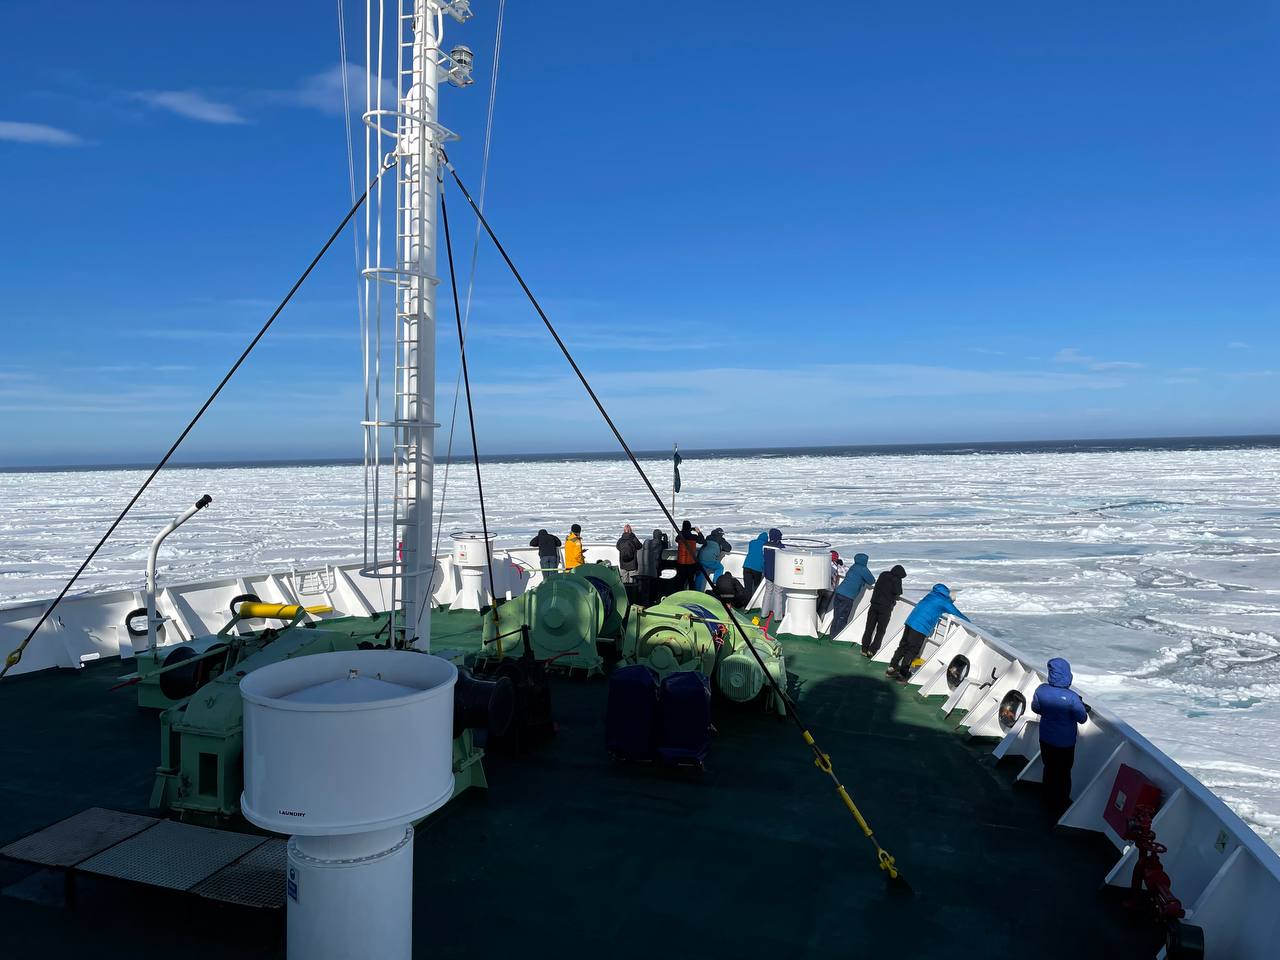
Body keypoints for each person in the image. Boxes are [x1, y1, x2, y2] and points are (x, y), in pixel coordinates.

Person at [1031, 658, 1089, 814]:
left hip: (1045, 738)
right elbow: (1082, 719)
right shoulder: (1072, 697)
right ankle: (1060, 803)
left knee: (1049, 767)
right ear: (1068, 675)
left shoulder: (1040, 690)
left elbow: (1036, 708)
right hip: (1065, 743)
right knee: (1063, 773)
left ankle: (1047, 797)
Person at [886, 583, 968, 682]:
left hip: (911, 621)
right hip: (920, 627)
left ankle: (892, 668)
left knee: (903, 645)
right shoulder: (944, 601)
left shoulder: (932, 594)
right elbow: (957, 613)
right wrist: (970, 623)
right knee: (912, 650)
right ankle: (903, 674)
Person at [861, 564, 906, 657]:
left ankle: (864, 648)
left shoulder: (883, 574)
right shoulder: (896, 579)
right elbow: (898, 592)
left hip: (874, 604)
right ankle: (872, 650)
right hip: (885, 608)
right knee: (880, 630)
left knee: (869, 627)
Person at [829, 552, 874, 639]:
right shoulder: (863, 569)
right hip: (848, 596)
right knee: (842, 618)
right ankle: (836, 637)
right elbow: (872, 581)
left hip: (839, 592)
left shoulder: (853, 567)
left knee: (837, 615)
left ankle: (832, 634)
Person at [636, 528, 668, 605]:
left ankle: (645, 600)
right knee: (654, 584)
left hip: (644, 569)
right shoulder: (660, 543)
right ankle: (653, 599)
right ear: (660, 536)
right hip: (655, 567)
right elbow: (666, 545)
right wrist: (665, 537)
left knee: (646, 586)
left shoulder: (647, 545)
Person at [674, 520, 704, 592]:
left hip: (681, 563)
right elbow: (702, 541)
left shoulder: (680, 536)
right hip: (691, 563)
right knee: (691, 582)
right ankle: (691, 597)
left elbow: (676, 539)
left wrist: (684, 531)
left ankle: (679, 597)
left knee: (680, 583)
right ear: (690, 527)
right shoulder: (694, 537)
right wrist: (698, 532)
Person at [742, 530, 768, 598]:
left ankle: (746, 605)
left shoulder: (752, 542)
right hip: (757, 569)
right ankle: (754, 603)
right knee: (757, 587)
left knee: (747, 588)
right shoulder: (766, 545)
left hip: (746, 567)